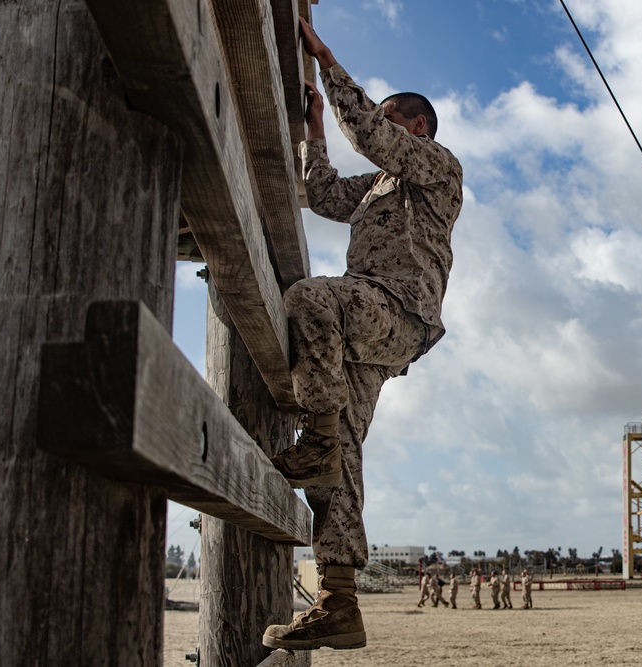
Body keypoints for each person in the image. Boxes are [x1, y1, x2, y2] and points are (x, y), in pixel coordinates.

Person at [262, 14, 464, 653]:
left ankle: (315, 436)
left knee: (310, 298)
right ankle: (339, 601)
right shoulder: (382, 185)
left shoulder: (435, 165)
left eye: (390, 116)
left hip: (399, 311)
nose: (380, 123)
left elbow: (372, 134)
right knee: (341, 461)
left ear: (417, 125)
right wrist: (316, 130)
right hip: (367, 326)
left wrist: (322, 54)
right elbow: (321, 194)